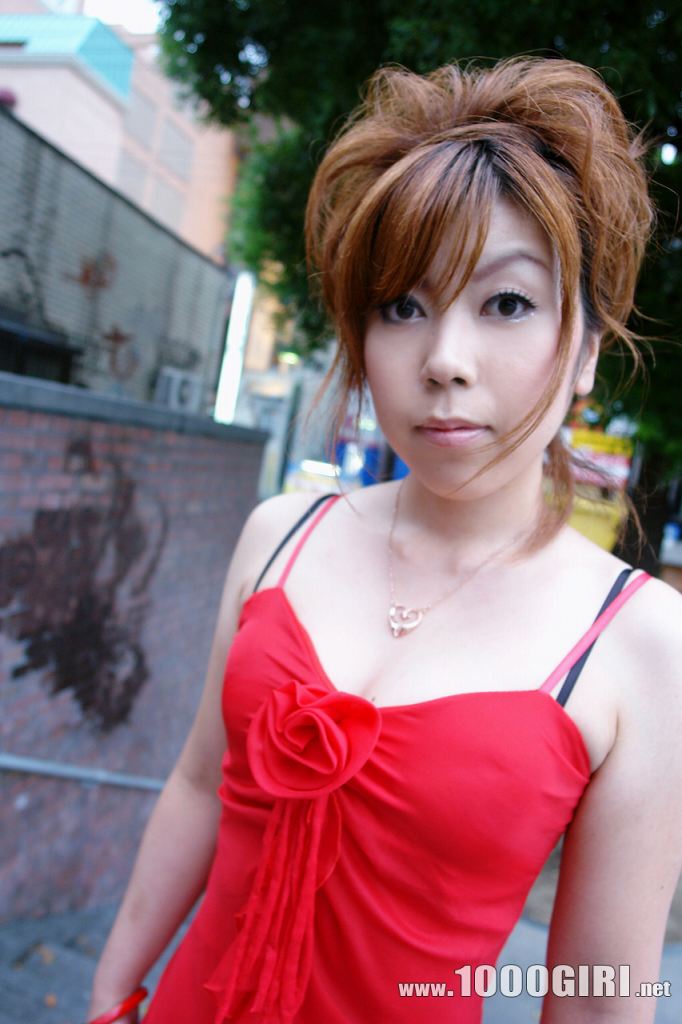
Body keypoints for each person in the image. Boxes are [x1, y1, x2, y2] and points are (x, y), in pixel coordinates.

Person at [88, 56, 682, 1024]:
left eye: (506, 303)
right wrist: (114, 989)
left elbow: (598, 998)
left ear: (583, 351)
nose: (443, 361)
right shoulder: (280, 535)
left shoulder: (641, 641)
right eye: (401, 306)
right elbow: (199, 783)